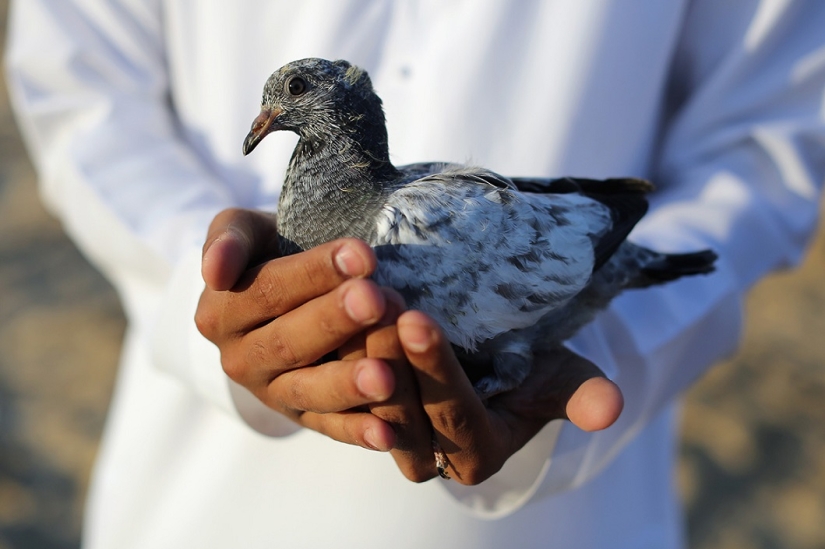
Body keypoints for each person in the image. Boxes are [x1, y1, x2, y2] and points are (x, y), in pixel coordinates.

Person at [5, 1, 825, 548]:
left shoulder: (412, 230)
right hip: (200, 497)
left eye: (285, 99)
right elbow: (82, 96)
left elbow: (771, 139)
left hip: (570, 510)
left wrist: (625, 348)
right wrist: (206, 280)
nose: (269, 118)